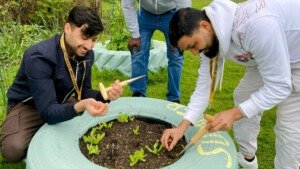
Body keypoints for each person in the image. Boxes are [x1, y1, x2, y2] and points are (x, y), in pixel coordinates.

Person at [160, 0, 300, 169]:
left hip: (297, 59)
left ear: (204, 26)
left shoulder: (257, 26)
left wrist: (233, 114)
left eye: (193, 45)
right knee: (242, 97)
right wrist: (181, 128)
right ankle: (248, 158)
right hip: (270, 55)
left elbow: (279, 86)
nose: (195, 53)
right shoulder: (211, 37)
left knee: (288, 128)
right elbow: (204, 87)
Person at [0, 6, 123, 163]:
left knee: (78, 121)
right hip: (27, 106)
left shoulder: (86, 54)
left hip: (59, 101)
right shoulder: (39, 57)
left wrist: (106, 95)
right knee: (13, 150)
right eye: (84, 37)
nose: (89, 46)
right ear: (67, 28)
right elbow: (49, 112)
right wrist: (79, 106)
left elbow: (84, 93)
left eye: (94, 39)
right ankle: (21, 129)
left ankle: (47, 127)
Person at [121, 0, 191, 103]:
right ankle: (138, 95)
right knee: (138, 52)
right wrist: (135, 35)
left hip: (171, 14)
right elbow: (127, 5)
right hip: (145, 14)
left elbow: (184, 7)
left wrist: (178, 33)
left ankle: (174, 98)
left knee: (176, 54)